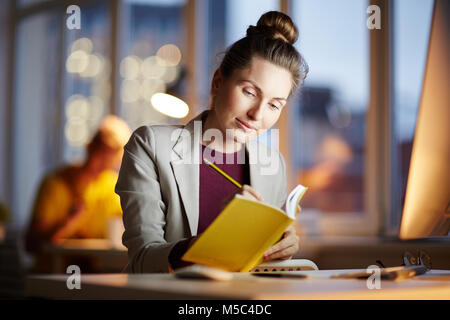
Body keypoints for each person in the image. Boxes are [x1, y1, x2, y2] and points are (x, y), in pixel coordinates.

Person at [115, 11, 309, 273]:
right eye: (250, 92)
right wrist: (221, 237)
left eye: (275, 105)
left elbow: (254, 266)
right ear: (218, 83)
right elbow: (143, 260)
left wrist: (279, 250)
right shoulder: (149, 146)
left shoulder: (273, 164)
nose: (258, 114)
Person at [25, 115, 131, 264]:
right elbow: (30, 243)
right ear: (89, 148)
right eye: (102, 155)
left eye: (112, 159)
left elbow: (130, 223)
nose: (105, 164)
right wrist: (67, 223)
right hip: (55, 275)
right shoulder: (55, 183)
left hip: (95, 274)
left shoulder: (112, 186)